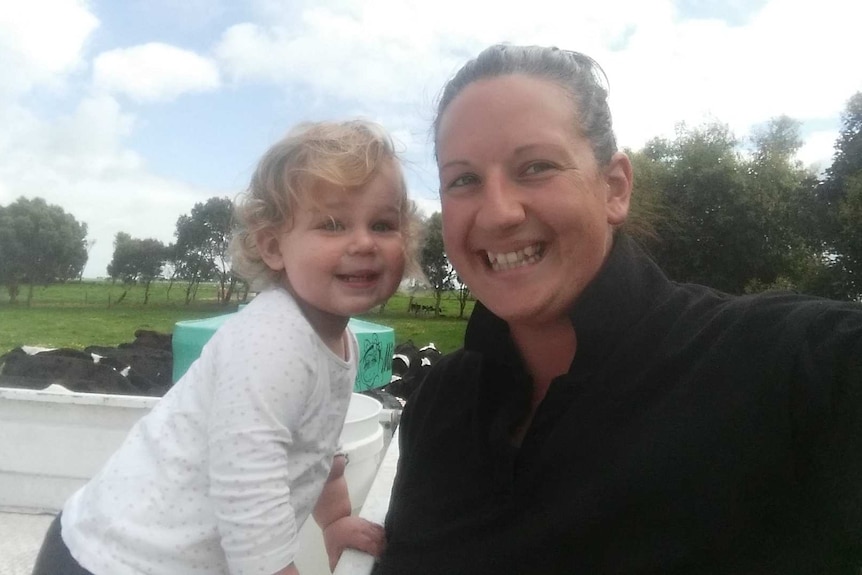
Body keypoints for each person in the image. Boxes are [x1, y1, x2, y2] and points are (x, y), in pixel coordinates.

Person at [375, 44, 862, 574]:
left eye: (535, 166)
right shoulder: (437, 404)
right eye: (463, 180)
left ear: (614, 188)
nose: (497, 212)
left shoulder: (778, 368)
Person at [32, 119, 420, 575]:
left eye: (382, 224)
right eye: (332, 224)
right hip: (112, 560)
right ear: (274, 246)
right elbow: (248, 488)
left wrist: (334, 521)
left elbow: (317, 448)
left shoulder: (338, 340)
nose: (363, 242)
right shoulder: (273, 341)